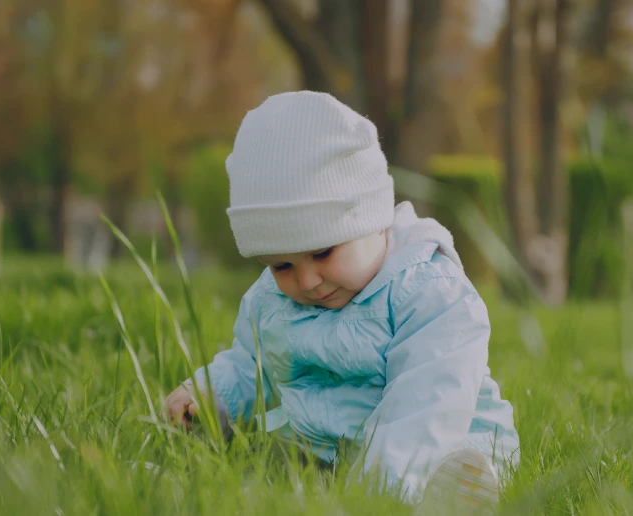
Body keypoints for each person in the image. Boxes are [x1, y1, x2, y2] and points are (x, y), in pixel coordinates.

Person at [163, 91, 519, 511]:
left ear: (374, 219)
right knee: (271, 456)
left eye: (322, 252)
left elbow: (428, 402)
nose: (308, 280)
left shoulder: (427, 292)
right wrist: (210, 394)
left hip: (436, 436)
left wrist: (381, 490)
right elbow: (251, 362)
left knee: (441, 463)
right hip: (328, 443)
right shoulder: (272, 297)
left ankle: (446, 491)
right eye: (281, 265)